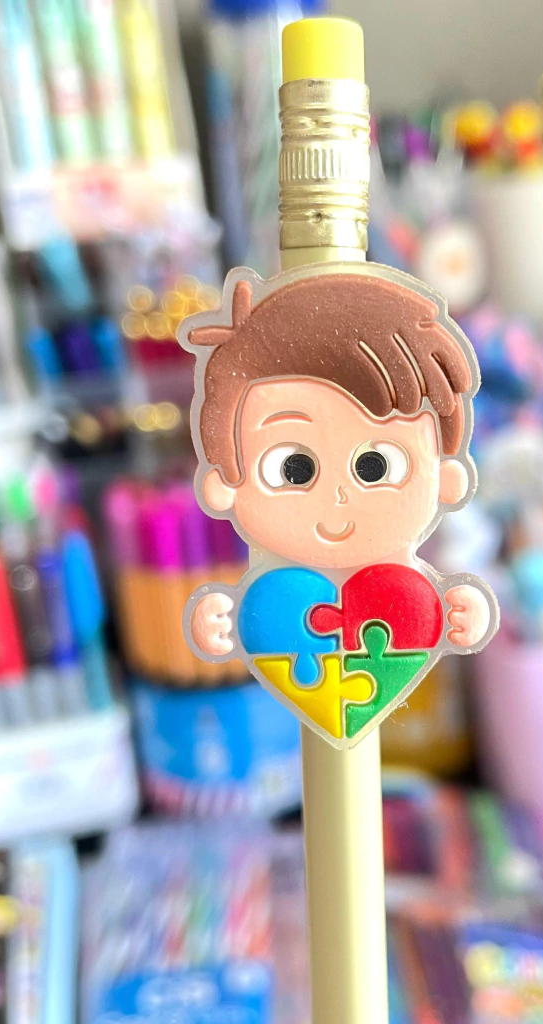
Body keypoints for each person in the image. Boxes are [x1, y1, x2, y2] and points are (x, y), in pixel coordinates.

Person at [179, 267, 497, 740]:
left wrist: (457, 613)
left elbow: (441, 620)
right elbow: (255, 626)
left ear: (444, 478)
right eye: (293, 469)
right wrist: (226, 619)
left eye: (375, 465)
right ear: (224, 484)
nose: (337, 497)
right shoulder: (267, 606)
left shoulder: (420, 600)